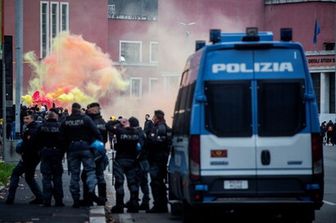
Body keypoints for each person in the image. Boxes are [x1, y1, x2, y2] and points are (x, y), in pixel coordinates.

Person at [60, 102, 104, 208]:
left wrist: (64, 150)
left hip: (72, 149)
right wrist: (99, 144)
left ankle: (76, 200)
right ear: (79, 109)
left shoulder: (66, 120)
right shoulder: (85, 119)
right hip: (85, 147)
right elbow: (96, 132)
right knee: (90, 171)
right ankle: (91, 189)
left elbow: (62, 137)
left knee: (74, 175)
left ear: (72, 109)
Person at [6, 111, 44, 205]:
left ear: (32, 119)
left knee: (15, 173)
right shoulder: (35, 128)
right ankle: (40, 197)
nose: (25, 120)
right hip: (35, 157)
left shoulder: (31, 130)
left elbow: (28, 145)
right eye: (24, 118)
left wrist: (23, 155)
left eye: (27, 118)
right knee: (29, 177)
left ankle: (10, 198)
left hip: (29, 157)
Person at [107, 118, 143, 213]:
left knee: (119, 183)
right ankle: (134, 205)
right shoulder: (136, 133)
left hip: (120, 160)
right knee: (132, 183)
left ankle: (119, 206)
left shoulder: (119, 131)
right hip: (132, 160)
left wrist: (118, 121)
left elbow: (108, 126)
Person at [81, 102, 109, 206]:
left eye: (89, 109)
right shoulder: (101, 121)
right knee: (99, 175)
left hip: (92, 151)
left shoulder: (90, 121)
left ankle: (89, 199)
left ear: (95, 110)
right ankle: (102, 198)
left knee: (86, 175)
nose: (87, 110)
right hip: (100, 150)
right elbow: (105, 139)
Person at [36, 109, 65, 207]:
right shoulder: (60, 127)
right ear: (56, 117)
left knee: (46, 177)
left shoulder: (41, 127)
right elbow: (64, 142)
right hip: (57, 153)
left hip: (45, 153)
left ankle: (47, 201)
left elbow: (36, 140)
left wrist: (40, 151)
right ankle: (59, 201)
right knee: (57, 177)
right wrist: (62, 153)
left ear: (47, 117)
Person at [146, 110, 171, 213]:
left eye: (154, 117)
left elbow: (157, 142)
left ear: (157, 118)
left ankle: (158, 205)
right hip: (161, 158)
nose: (153, 118)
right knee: (160, 183)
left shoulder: (160, 128)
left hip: (157, 159)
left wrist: (149, 139)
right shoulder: (165, 127)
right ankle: (162, 204)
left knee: (156, 183)